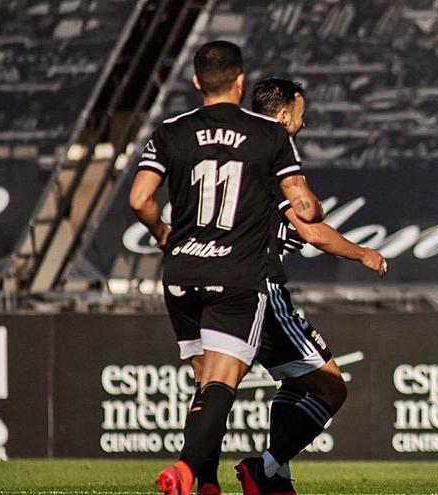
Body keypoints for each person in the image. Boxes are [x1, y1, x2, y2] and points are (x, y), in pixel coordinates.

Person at [129, 40, 325, 495]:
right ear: (240, 81)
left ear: (197, 81)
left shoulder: (171, 130)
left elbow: (139, 199)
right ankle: (184, 469)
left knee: (203, 381)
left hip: (181, 273)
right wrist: (309, 205)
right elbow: (304, 207)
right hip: (236, 275)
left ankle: (209, 483)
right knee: (221, 380)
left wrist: (162, 231)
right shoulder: (268, 135)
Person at [189, 77, 386, 495]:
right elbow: (310, 230)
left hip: (207, 281)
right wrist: (362, 253)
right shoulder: (273, 149)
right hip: (260, 287)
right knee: (331, 385)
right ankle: (268, 466)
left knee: (240, 384)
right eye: (300, 110)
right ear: (283, 115)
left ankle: (242, 477)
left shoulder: (230, 147)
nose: (304, 118)